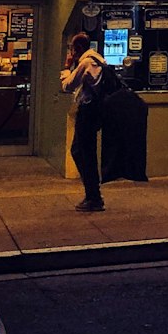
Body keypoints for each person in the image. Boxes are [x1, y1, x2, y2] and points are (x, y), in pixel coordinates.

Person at [60, 32, 107, 212]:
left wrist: (66, 67)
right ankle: (93, 194)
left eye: (72, 49)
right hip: (96, 112)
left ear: (77, 49)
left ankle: (93, 196)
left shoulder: (86, 62)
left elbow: (67, 85)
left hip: (87, 112)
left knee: (82, 152)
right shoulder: (99, 59)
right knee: (83, 152)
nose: (71, 52)